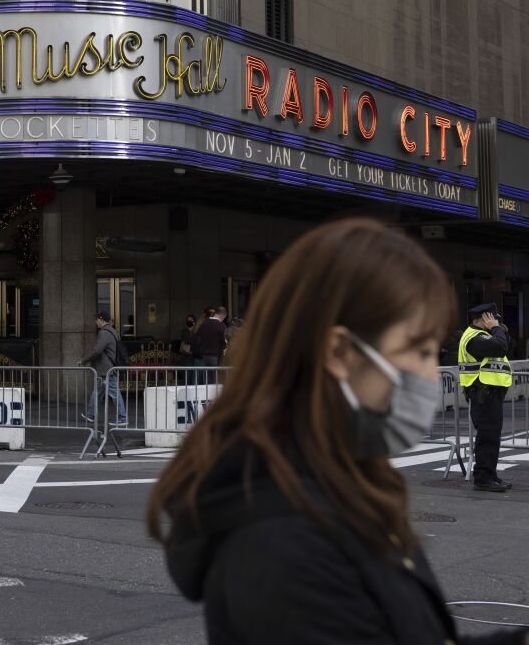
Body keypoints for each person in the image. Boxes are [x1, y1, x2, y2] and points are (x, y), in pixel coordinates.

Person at [146, 217, 526, 645]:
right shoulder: (284, 548)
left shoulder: (338, 477)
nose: (429, 372)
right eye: (416, 349)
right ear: (341, 353)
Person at [459, 302, 514, 492]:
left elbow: (505, 348)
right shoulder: (475, 338)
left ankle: (490, 474)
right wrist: (496, 330)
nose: (497, 321)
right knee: (487, 435)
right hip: (483, 392)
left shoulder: (485, 336)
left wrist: (502, 332)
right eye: (494, 318)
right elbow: (499, 348)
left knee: (492, 435)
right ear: (485, 318)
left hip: (490, 393)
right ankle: (482, 477)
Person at [79, 311, 127, 425]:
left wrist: (83, 360)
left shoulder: (104, 333)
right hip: (108, 368)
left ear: (101, 319)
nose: (96, 322)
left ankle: (123, 417)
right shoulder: (114, 331)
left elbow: (97, 351)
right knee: (98, 392)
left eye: (97, 320)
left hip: (106, 369)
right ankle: (90, 415)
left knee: (114, 393)